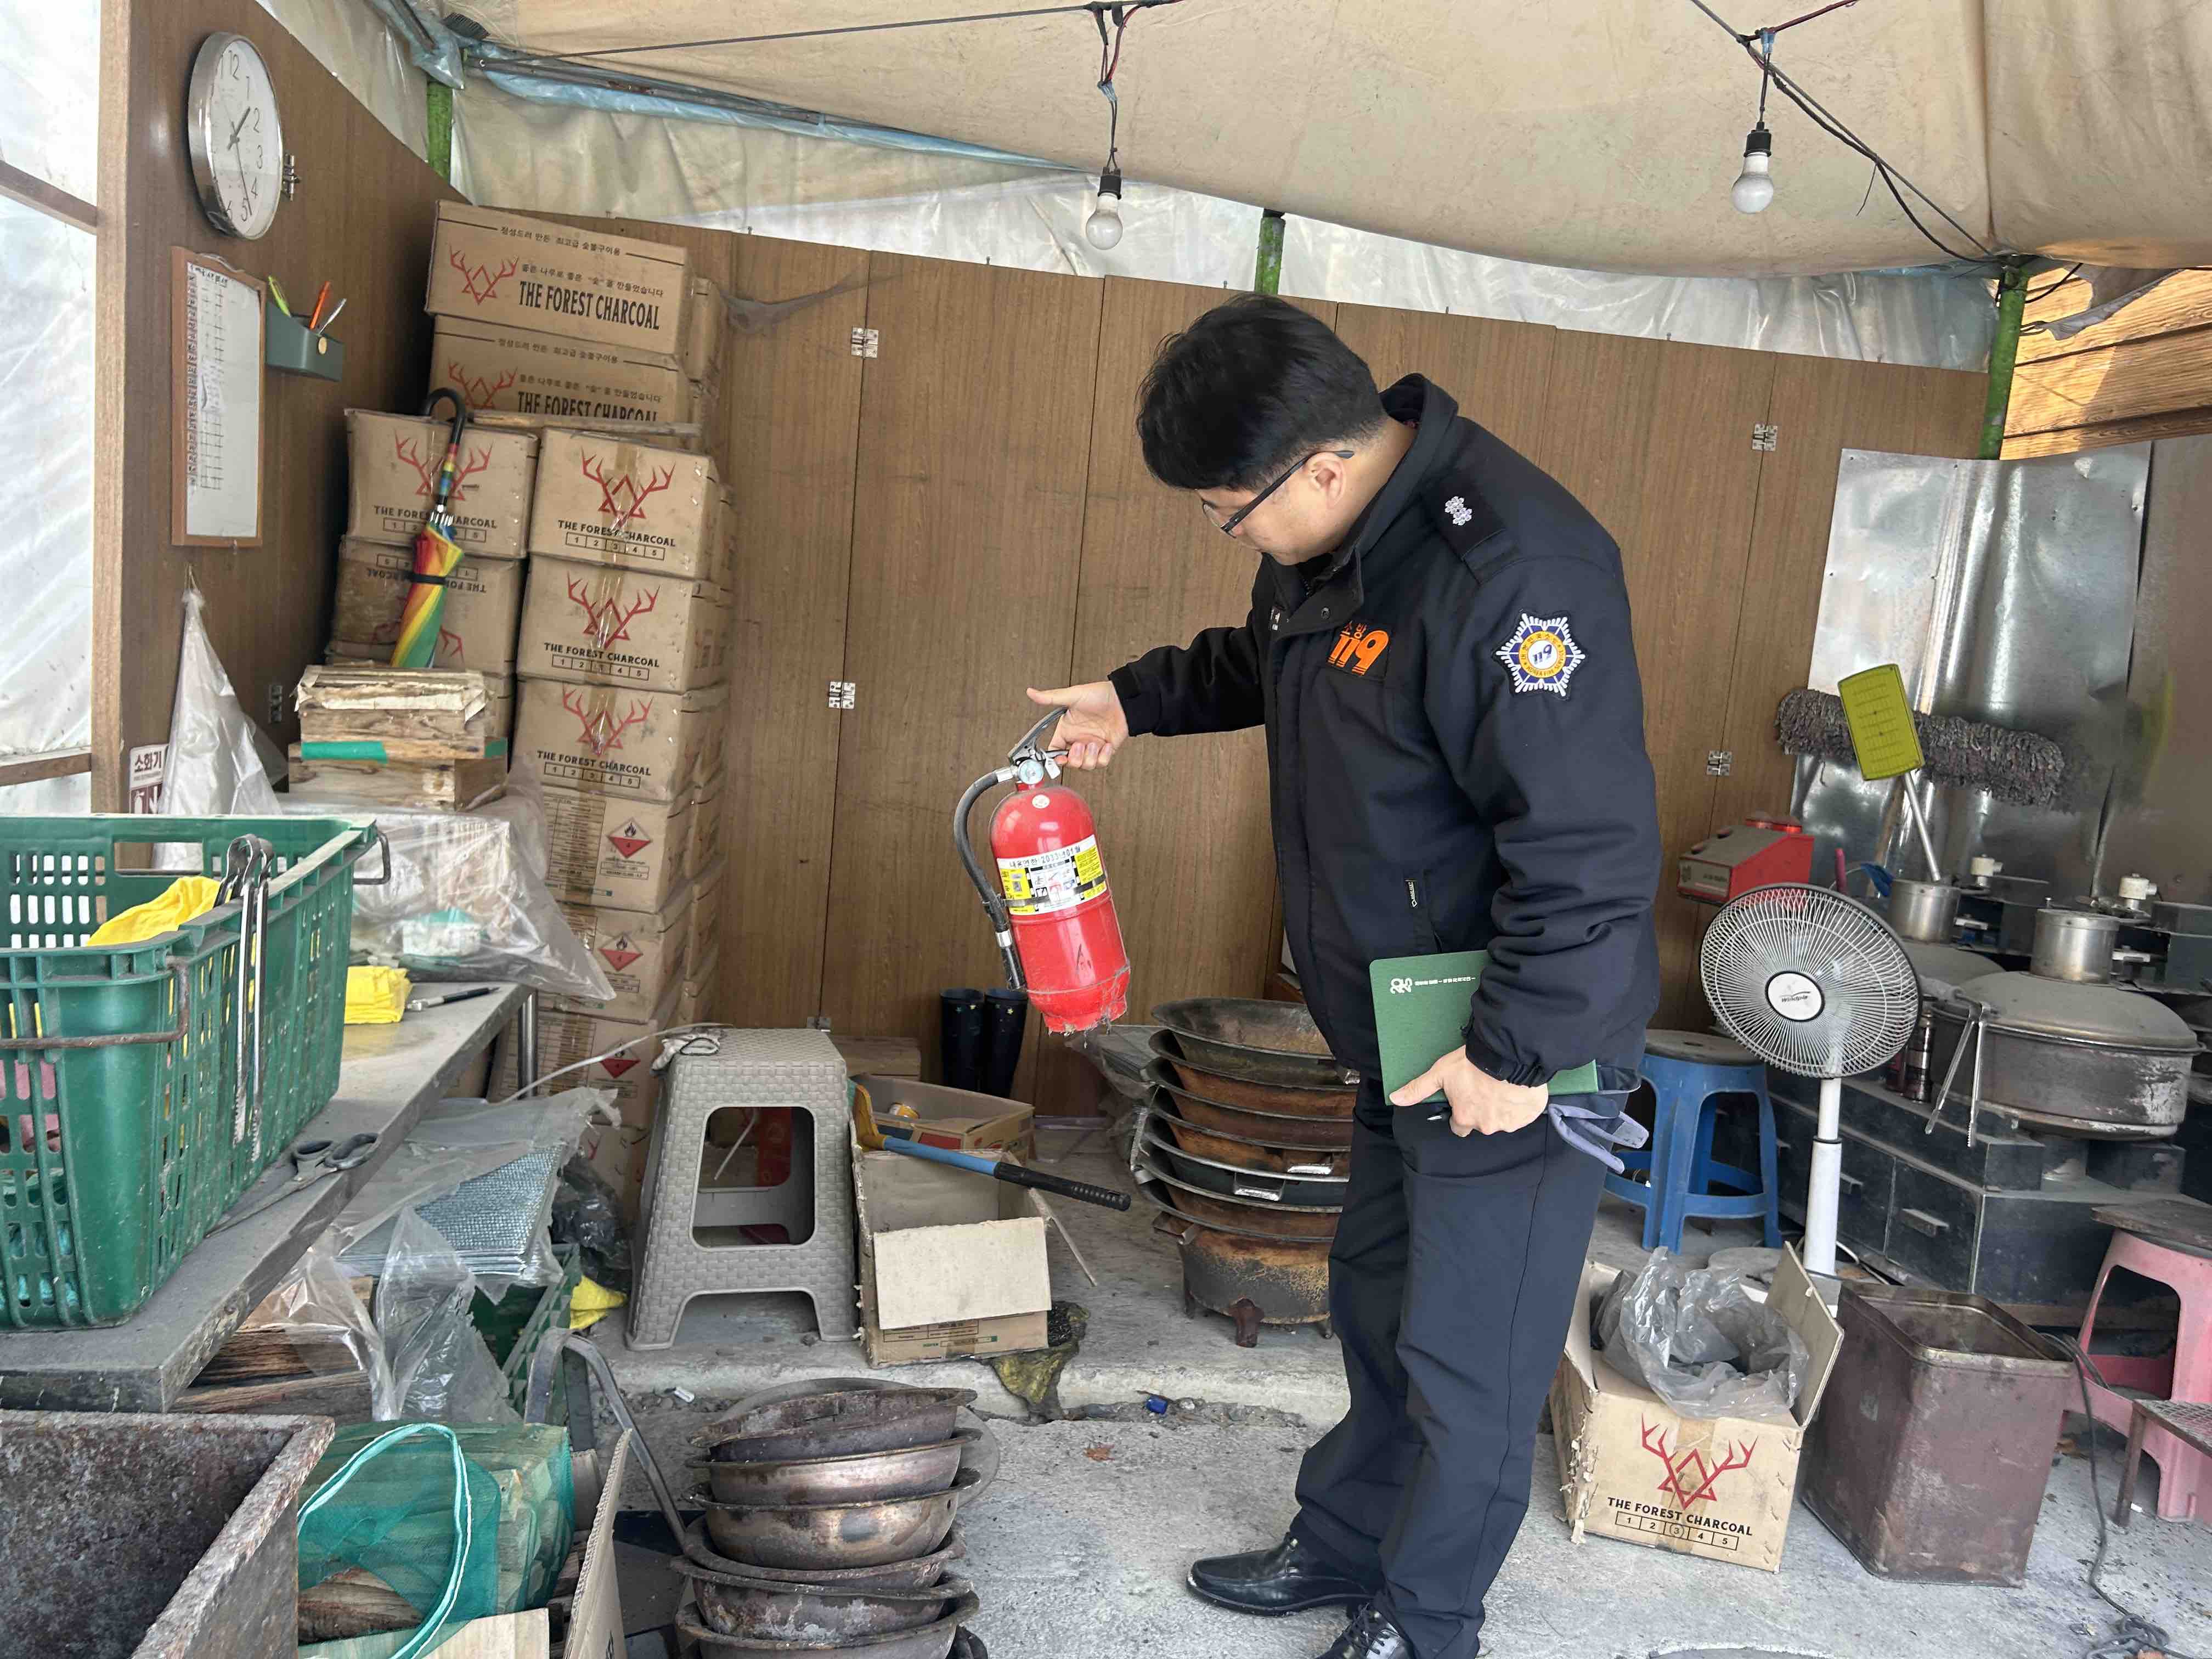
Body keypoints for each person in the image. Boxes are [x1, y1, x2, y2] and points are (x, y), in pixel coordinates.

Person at [1028, 296, 1661, 1659]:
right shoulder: (1335, 542)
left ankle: (1426, 1625)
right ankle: (1348, 1543)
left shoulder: (1514, 572)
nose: (1232, 534)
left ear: (1320, 466)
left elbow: (1588, 849)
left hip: (1511, 1047)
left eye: (1227, 513)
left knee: (1471, 1358)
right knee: (1381, 1308)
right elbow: (1278, 663)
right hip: (1402, 1026)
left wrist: (1516, 1054)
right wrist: (1136, 698)